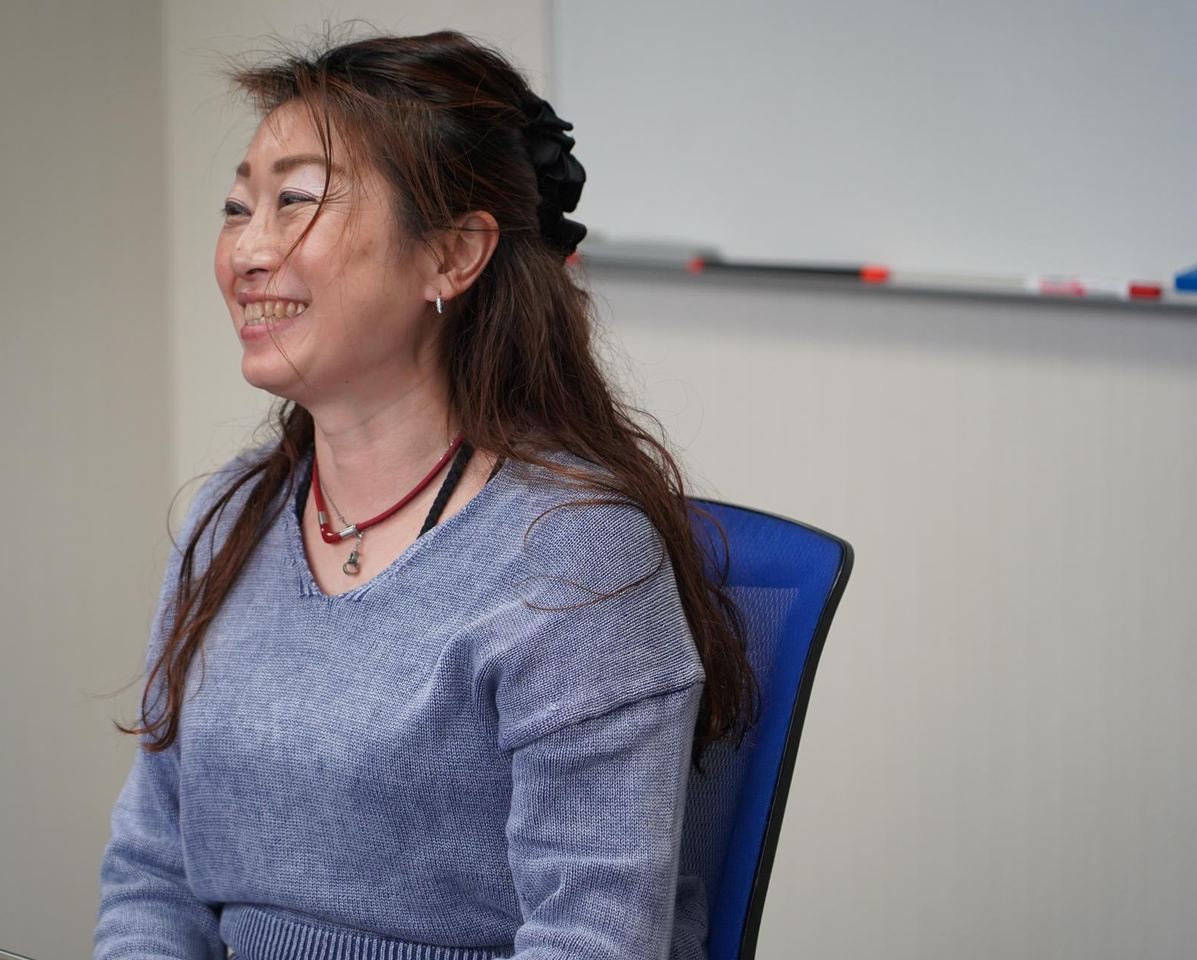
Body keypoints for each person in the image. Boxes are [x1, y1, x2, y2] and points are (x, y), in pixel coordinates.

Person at [93, 26, 758, 960]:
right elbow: (153, 876)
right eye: (237, 207)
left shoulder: (575, 557)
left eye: (296, 200)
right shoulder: (230, 516)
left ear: (452, 254)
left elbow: (589, 940)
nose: (247, 248)